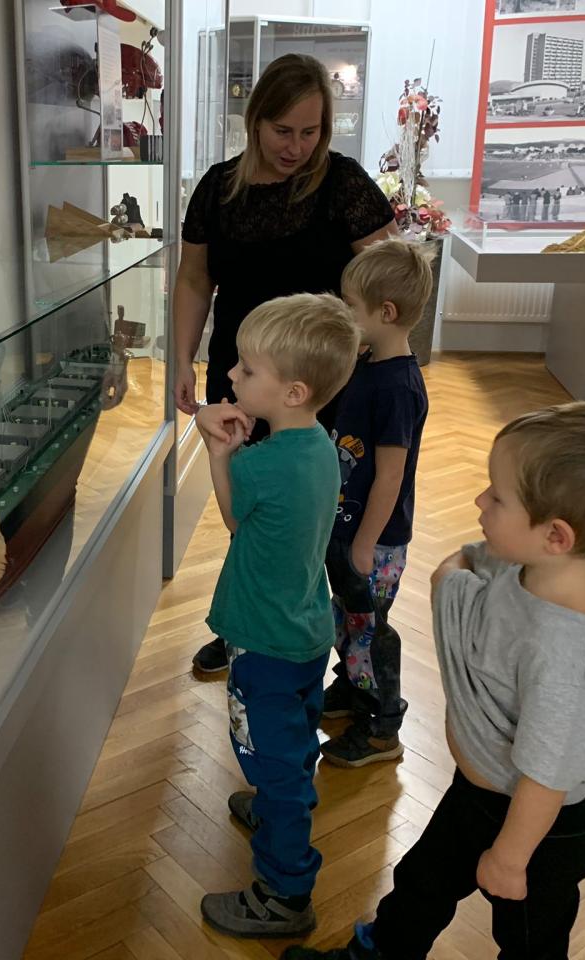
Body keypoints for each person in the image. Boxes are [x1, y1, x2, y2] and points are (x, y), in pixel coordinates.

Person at [283, 401, 585, 960]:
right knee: (419, 889)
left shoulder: (565, 660)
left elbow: (548, 772)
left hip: (537, 830)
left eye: (498, 496)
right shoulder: (529, 567)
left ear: (556, 536)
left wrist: (511, 857)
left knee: (530, 942)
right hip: (476, 793)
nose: (480, 501)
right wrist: (454, 577)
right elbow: (471, 566)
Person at [174, 52, 397, 677]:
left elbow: (391, 280)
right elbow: (194, 280)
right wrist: (182, 358)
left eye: (311, 131)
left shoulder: (342, 182)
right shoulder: (218, 188)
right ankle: (246, 621)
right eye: (282, 131)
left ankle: (314, 633)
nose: (296, 147)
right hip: (246, 371)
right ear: (255, 121)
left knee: (316, 511)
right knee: (250, 501)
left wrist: (376, 354)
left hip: (322, 380)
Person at [193, 293, 361, 939]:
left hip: (264, 642)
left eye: (246, 368)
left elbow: (235, 518)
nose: (232, 375)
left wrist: (218, 452)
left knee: (271, 756)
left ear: (292, 392)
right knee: (292, 738)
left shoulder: (261, 463)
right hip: (304, 631)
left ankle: (283, 893)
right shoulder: (319, 445)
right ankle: (276, 797)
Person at [320, 239, 434, 768]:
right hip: (346, 526)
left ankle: (383, 723)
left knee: (369, 626)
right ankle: (351, 688)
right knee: (349, 618)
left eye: (351, 307)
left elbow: (391, 476)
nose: (344, 314)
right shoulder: (367, 364)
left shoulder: (399, 387)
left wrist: (365, 544)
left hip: (376, 540)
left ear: (385, 313)